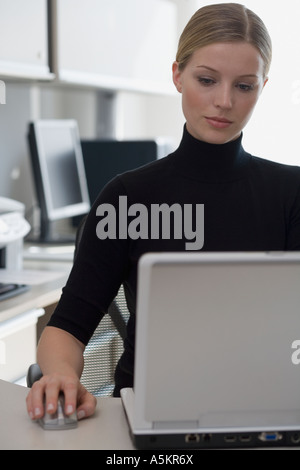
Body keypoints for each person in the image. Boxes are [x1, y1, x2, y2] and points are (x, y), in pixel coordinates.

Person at [26, 3, 300, 422]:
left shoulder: (292, 192)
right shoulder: (128, 198)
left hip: (268, 408)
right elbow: (66, 327)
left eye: (244, 86)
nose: (223, 101)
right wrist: (61, 374)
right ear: (177, 75)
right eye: (206, 80)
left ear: (263, 85)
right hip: (150, 410)